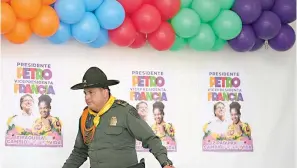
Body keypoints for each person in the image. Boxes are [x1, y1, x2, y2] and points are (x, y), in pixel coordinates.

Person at [62, 67, 174, 168]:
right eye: (85, 93)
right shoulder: (86, 117)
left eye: (91, 92)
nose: (87, 97)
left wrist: (166, 163)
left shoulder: (124, 111)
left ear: (105, 92)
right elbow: (79, 152)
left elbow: (150, 139)